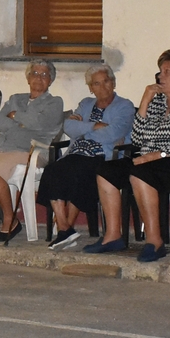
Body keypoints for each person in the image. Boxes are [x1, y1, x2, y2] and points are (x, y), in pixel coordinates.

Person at [87, 48, 170, 262]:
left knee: (141, 173)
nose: (160, 76)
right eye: (160, 71)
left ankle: (154, 241)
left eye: (167, 71)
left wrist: (156, 156)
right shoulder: (157, 103)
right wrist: (144, 102)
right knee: (106, 170)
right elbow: (138, 138)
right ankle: (113, 236)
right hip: (153, 160)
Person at [0, 59, 64, 243]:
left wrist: (15, 115)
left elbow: (40, 124)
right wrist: (23, 122)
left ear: (50, 80)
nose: (38, 78)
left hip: (29, 150)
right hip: (0, 148)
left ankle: (11, 219)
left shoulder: (54, 103)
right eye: (35, 73)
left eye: (44, 75)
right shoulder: (16, 98)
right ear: (28, 78)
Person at [37, 63, 135, 251]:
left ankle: (65, 231)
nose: (102, 87)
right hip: (78, 153)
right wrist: (96, 126)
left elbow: (113, 133)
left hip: (104, 156)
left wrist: (83, 129)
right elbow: (68, 127)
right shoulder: (86, 104)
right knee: (52, 170)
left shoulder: (125, 106)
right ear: (91, 88)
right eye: (96, 83)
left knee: (79, 173)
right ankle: (65, 228)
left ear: (113, 82)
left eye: (106, 81)